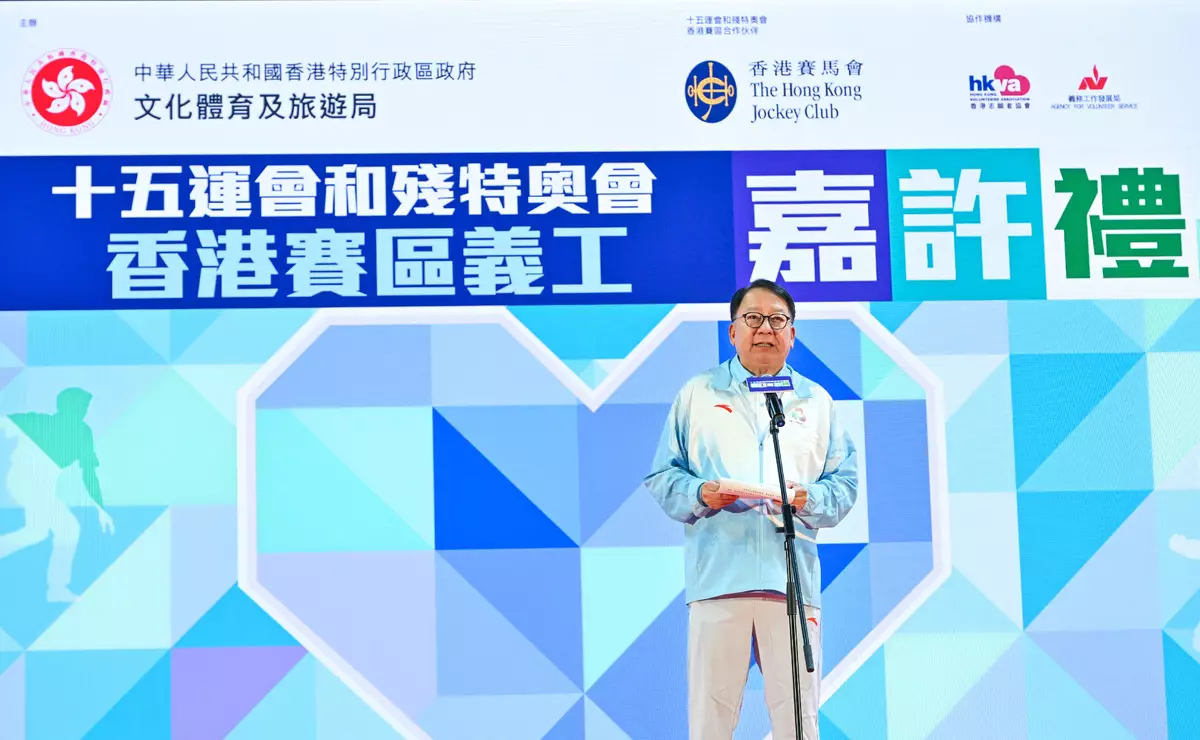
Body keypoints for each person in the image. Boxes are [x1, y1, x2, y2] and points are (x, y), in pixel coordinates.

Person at [645, 279, 858, 740]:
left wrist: (807, 499)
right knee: (711, 720)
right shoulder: (698, 394)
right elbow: (662, 477)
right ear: (732, 331)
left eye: (778, 320)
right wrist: (702, 493)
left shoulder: (816, 401)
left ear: (792, 334)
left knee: (799, 721)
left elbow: (844, 485)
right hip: (719, 579)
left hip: (792, 583)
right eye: (754, 318)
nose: (766, 329)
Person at [0, 387, 113, 602]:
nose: (84, 411)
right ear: (68, 407)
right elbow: (5, 421)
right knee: (68, 529)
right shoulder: (38, 421)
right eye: (81, 406)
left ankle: (56, 589)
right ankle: (57, 589)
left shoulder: (83, 433)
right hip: (24, 482)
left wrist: (100, 508)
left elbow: (89, 473)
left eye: (85, 407)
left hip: (41, 486)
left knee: (35, 533)